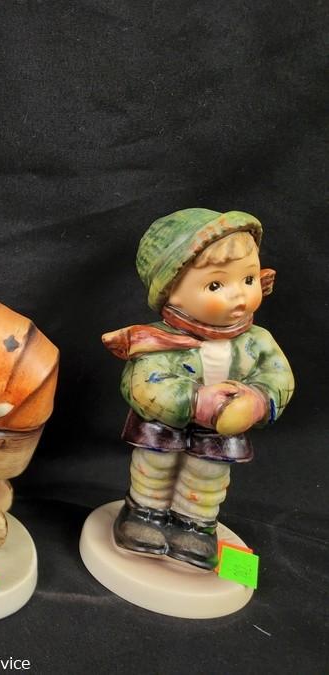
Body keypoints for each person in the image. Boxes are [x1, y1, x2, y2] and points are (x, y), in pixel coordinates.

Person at [102, 208, 294, 570]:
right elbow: (141, 385)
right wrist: (195, 401)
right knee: (154, 466)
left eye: (248, 279)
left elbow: (278, 376)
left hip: (221, 431)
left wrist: (256, 400)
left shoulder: (257, 342)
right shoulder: (157, 342)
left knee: (208, 475)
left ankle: (194, 525)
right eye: (216, 285)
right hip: (164, 426)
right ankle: (145, 514)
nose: (239, 296)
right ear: (171, 294)